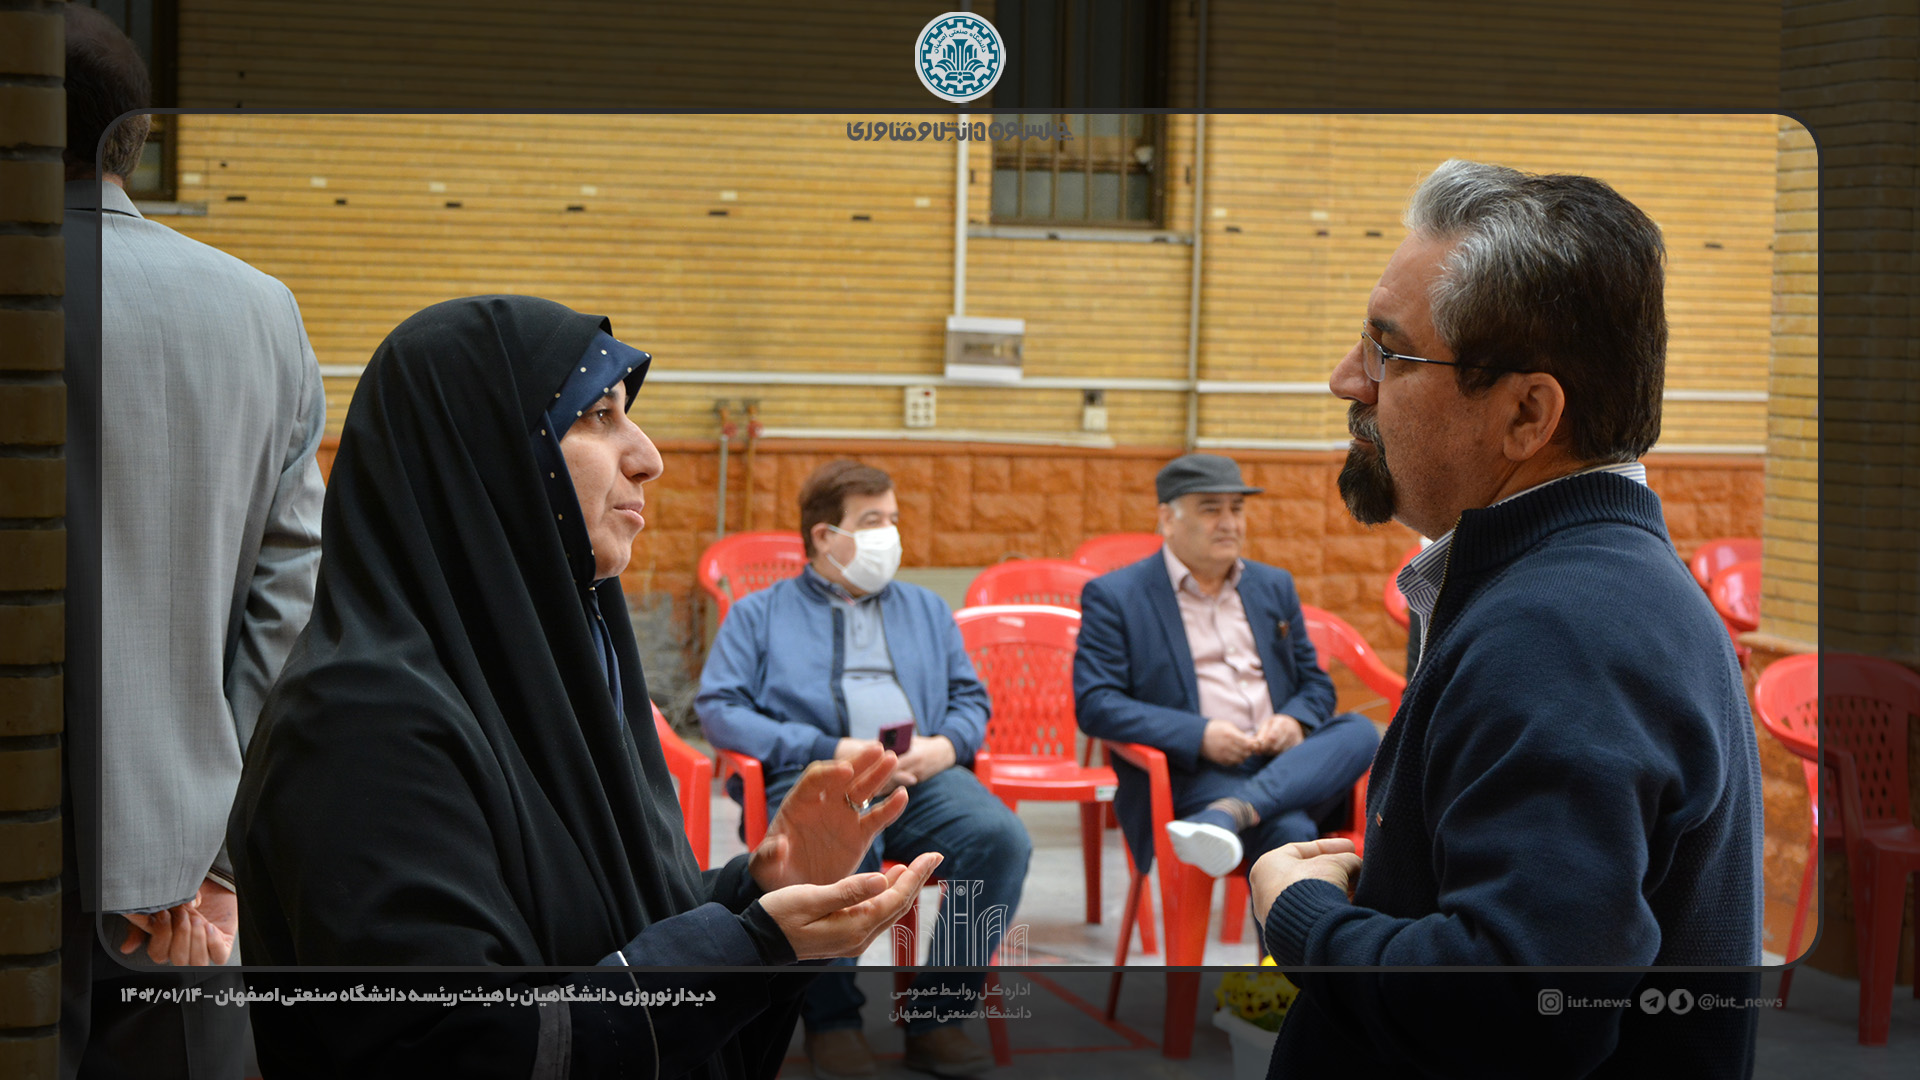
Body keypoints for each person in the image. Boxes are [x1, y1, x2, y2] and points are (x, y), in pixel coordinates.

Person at [226, 295, 942, 1079]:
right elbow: (456, 1047)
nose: (648, 457)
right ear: (486, 458)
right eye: (599, 416)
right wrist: (748, 947)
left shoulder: (550, 676)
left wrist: (762, 887)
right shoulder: (359, 727)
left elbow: (600, 918)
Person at [1249, 159, 1764, 1076]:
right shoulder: (1568, 589)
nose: (1347, 380)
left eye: (1389, 353)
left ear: (1528, 414)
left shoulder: (1565, 633)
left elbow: (1514, 1013)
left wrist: (1302, 916)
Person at [59, 7, 324, 1076]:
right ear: (137, 137)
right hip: (180, 882)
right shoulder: (263, 312)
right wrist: (217, 849)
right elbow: (290, 609)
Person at [697, 460, 1033, 1079]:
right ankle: (833, 1022)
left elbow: (971, 699)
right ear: (825, 536)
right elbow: (720, 710)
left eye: (893, 519)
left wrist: (946, 746)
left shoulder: (926, 609)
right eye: (873, 521)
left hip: (920, 776)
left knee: (1000, 837)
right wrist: (827, 745)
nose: (890, 535)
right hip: (817, 777)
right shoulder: (759, 614)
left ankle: (938, 1015)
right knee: (839, 852)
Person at [1073, 454, 1379, 884]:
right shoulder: (1117, 596)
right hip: (1195, 774)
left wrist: (1293, 721)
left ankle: (1228, 814)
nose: (1229, 523)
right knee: (1288, 832)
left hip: (1289, 761)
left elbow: (1316, 685)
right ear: (1168, 518)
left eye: (1236, 508)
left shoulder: (1272, 585)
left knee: (1361, 731)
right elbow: (1096, 704)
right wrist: (1199, 736)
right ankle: (1234, 813)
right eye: (1210, 509)